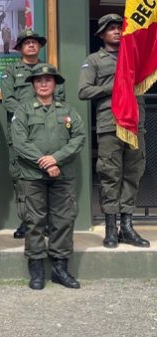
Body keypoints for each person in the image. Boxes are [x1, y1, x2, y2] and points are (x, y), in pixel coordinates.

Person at [78, 13, 150, 249]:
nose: (117, 31)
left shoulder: (134, 58)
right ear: (101, 34)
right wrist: (114, 84)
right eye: (111, 28)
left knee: (133, 173)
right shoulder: (94, 60)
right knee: (110, 175)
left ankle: (127, 227)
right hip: (111, 124)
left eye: (119, 28)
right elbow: (84, 91)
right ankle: (111, 228)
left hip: (135, 124)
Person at [11, 64, 85, 290]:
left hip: (62, 175)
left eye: (48, 80)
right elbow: (20, 141)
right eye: (39, 80)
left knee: (63, 221)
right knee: (34, 221)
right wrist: (44, 162)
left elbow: (79, 137)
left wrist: (56, 159)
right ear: (33, 85)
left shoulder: (68, 111)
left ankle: (60, 269)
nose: (44, 84)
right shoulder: (23, 111)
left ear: (55, 84)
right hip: (32, 176)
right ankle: (36, 270)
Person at [1, 29, 65, 239]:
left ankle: (45, 222)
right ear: (19, 47)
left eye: (35, 42)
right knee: (21, 178)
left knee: (48, 174)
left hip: (47, 132)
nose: (31, 45)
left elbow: (60, 99)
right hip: (21, 131)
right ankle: (26, 221)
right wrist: (29, 115)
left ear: (40, 46)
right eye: (26, 42)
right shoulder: (11, 71)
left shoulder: (49, 70)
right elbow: (8, 99)